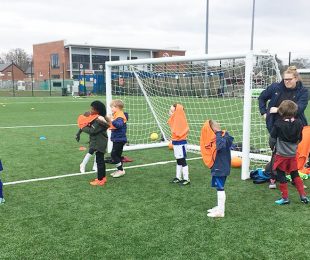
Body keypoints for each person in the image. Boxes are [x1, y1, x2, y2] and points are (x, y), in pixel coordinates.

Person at [258, 66, 309, 189]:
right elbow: (262, 97)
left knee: (295, 152)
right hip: (276, 125)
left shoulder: (303, 91)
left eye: (289, 79)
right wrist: (264, 112)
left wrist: (277, 110)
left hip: (295, 126)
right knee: (276, 150)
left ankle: (294, 176)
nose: (286, 81)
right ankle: (273, 177)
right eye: (285, 79)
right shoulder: (276, 87)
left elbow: (299, 109)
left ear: (296, 78)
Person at [270, 100, 309, 205]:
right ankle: (303, 196)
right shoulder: (299, 123)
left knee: (281, 175)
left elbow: (272, 139)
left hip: (281, 154)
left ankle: (285, 198)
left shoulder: (278, 124)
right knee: (295, 174)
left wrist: (272, 148)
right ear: (294, 111)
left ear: (281, 111)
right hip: (292, 154)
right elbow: (300, 138)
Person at [200, 120, 234, 218]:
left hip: (221, 166)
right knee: (219, 186)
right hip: (220, 165)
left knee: (220, 188)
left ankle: (221, 211)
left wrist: (218, 132)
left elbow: (220, 146)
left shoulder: (221, 136)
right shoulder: (222, 136)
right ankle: (219, 207)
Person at [81, 101, 110, 186]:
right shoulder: (97, 118)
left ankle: (100, 180)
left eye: (93, 109)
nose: (91, 110)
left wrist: (82, 127)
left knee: (99, 161)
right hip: (99, 142)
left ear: (98, 111)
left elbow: (92, 131)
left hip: (99, 143)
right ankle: (103, 177)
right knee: (100, 161)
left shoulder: (99, 120)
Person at [167, 104, 190, 185]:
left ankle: (186, 179)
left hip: (181, 143)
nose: (169, 112)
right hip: (176, 142)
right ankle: (178, 177)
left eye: (171, 111)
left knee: (182, 160)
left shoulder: (180, 120)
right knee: (178, 160)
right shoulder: (174, 120)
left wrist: (177, 109)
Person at [109, 99, 128, 178]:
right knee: (118, 155)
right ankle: (119, 170)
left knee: (113, 154)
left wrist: (112, 120)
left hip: (119, 139)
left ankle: (121, 170)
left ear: (117, 107)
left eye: (112, 107)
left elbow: (119, 125)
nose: (111, 109)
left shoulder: (119, 116)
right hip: (118, 138)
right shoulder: (117, 114)